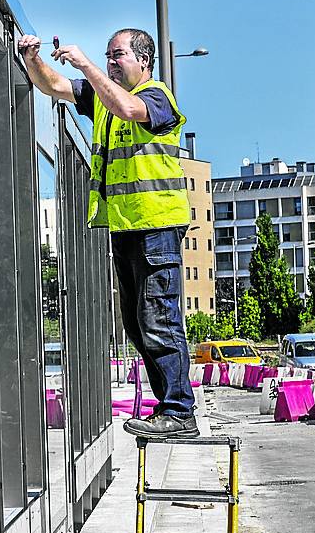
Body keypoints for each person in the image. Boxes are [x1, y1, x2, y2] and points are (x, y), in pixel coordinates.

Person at [18, 28, 197, 438]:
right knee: (137, 324)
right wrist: (33, 59)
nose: (111, 62)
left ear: (143, 61)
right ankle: (169, 409)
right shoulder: (102, 97)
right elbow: (56, 85)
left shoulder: (157, 96)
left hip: (156, 225)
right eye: (107, 56)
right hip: (126, 226)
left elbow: (129, 109)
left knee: (158, 318)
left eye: (117, 56)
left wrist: (86, 63)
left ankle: (179, 411)